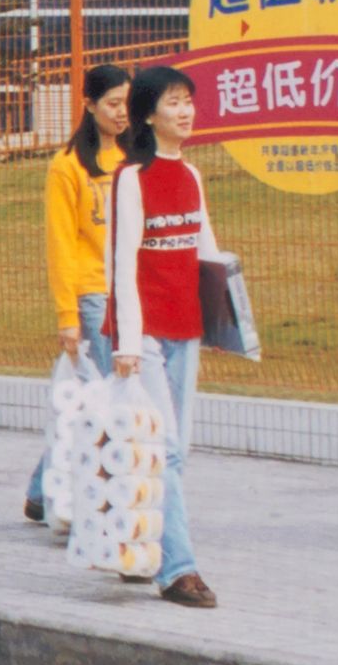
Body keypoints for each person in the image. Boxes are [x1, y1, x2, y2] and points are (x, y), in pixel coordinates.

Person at [106, 64, 220, 609]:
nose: (185, 111)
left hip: (186, 327)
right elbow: (123, 262)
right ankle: (178, 570)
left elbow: (206, 255)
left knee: (174, 450)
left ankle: (132, 543)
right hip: (145, 333)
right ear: (149, 115)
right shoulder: (132, 177)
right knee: (166, 450)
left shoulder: (191, 175)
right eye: (174, 102)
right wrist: (128, 343)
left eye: (189, 101)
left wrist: (228, 323)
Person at [25, 64, 131, 524]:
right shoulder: (67, 168)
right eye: (112, 104)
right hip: (91, 296)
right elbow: (61, 245)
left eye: (128, 103)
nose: (122, 113)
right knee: (101, 402)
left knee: (102, 399)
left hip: (128, 293)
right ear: (88, 105)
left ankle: (39, 490)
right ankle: (94, 499)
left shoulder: (133, 159)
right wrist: (67, 314)